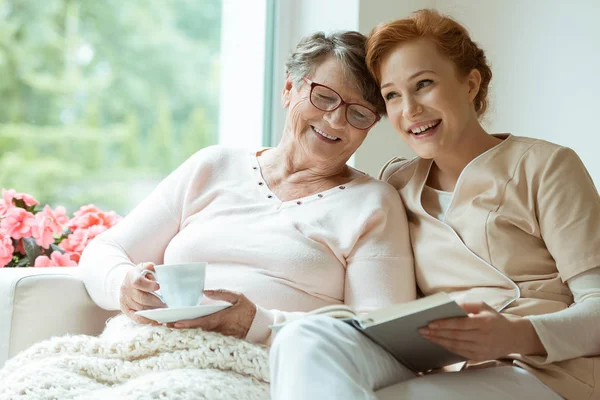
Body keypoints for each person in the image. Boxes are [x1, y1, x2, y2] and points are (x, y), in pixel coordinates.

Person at [269, 9, 600, 400]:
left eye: (423, 84)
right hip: (440, 365)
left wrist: (516, 334)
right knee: (304, 338)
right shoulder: (397, 182)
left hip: (542, 372)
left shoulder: (546, 166)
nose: (409, 110)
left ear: (471, 84)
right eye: (392, 95)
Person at [79, 31, 416, 345]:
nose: (335, 120)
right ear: (288, 89)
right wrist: (123, 284)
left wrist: (257, 323)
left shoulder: (373, 204)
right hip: (147, 346)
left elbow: (381, 335)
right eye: (324, 97)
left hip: (259, 366)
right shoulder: (213, 167)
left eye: (359, 114)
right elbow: (105, 249)